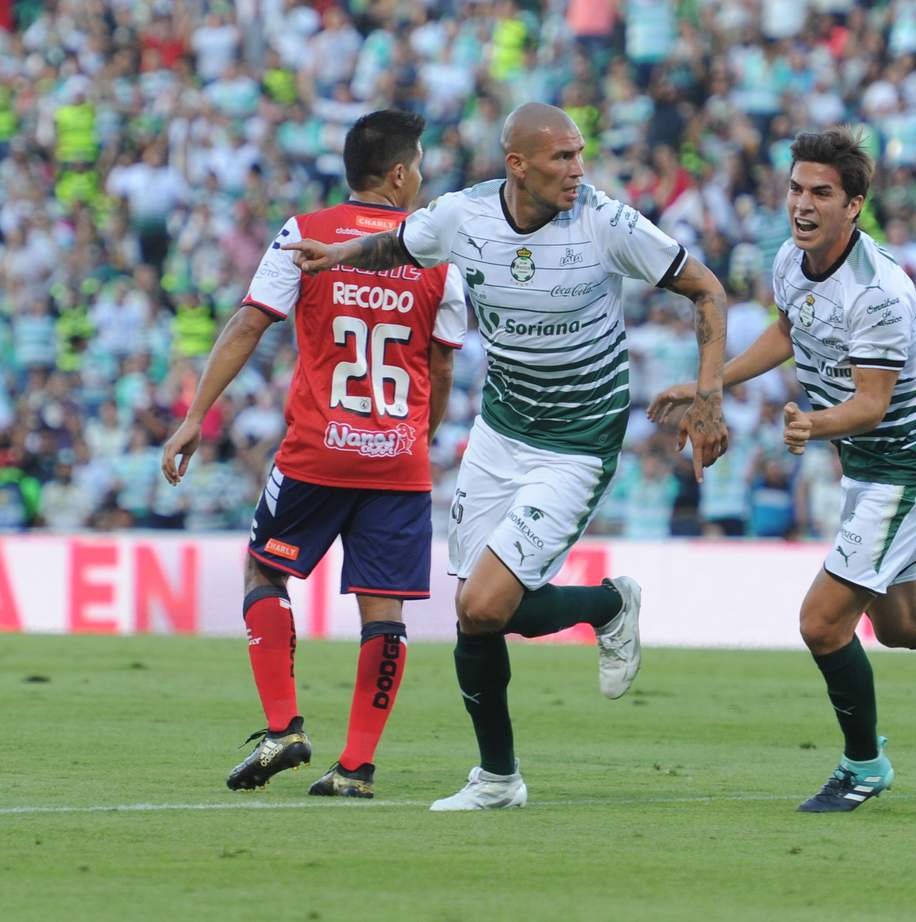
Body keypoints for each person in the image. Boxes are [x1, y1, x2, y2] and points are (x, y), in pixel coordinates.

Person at [284, 103, 729, 810]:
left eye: (579, 154)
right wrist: (337, 257)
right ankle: (498, 779)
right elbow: (400, 245)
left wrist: (709, 398)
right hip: (499, 433)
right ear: (517, 165)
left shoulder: (605, 223)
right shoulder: (464, 216)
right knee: (476, 613)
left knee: (487, 603)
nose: (577, 169)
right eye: (561, 157)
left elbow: (706, 288)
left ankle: (610, 604)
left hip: (576, 443)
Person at [649, 127, 916, 814]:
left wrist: (811, 424)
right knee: (903, 625)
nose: (803, 204)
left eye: (821, 193)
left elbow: (872, 405)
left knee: (822, 624)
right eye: (796, 188)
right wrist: (711, 384)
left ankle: (863, 765)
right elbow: (788, 330)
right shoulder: (791, 260)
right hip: (868, 464)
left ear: (854, 205)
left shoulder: (878, 292)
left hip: (903, 466)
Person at [161, 110, 467, 798]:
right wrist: (418, 438)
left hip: (318, 452)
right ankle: (356, 768)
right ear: (398, 174)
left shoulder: (305, 234)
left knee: (264, 569)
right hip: (399, 461)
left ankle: (283, 728)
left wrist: (196, 417)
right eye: (419, 165)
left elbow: (250, 323)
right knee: (384, 611)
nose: (421, 177)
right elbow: (442, 367)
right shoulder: (438, 258)